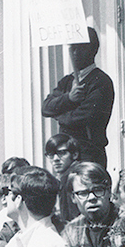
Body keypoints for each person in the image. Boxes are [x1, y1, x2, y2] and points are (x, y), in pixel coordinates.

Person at [42, 27, 114, 167]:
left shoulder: (101, 81)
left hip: (89, 153)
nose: (74, 53)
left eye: (79, 48)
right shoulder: (67, 81)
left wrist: (59, 115)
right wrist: (69, 98)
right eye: (72, 48)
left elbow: (82, 118)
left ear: (92, 50)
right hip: (66, 154)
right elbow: (46, 108)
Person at [44, 134, 81, 223]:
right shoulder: (63, 178)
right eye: (51, 154)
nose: (55, 159)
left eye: (61, 153)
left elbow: (71, 219)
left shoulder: (74, 176)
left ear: (75, 154)